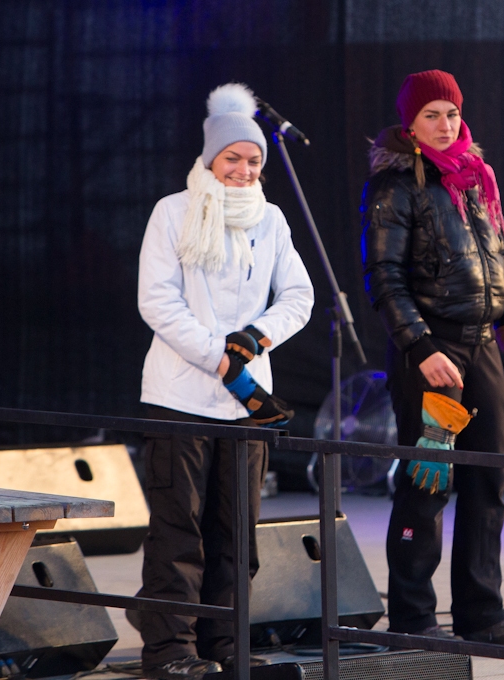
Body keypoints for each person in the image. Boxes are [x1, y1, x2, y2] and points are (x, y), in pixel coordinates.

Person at [361, 69, 504, 648]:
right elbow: (383, 279)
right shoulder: (395, 186)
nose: (445, 127)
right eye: (431, 117)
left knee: (489, 479)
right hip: (430, 349)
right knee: (427, 483)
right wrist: (420, 349)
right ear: (409, 126)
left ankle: (480, 614)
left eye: (452, 114)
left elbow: (500, 269)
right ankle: (413, 620)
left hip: (480, 343)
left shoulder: (475, 179)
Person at [136, 82, 314, 678]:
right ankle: (170, 653)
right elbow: (158, 302)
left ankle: (225, 643)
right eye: (232, 157)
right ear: (210, 157)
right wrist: (219, 358)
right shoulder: (173, 211)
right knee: (178, 533)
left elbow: (299, 296)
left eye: (254, 160)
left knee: (238, 536)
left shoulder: (272, 218)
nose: (243, 169)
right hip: (180, 398)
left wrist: (255, 338)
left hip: (247, 408)